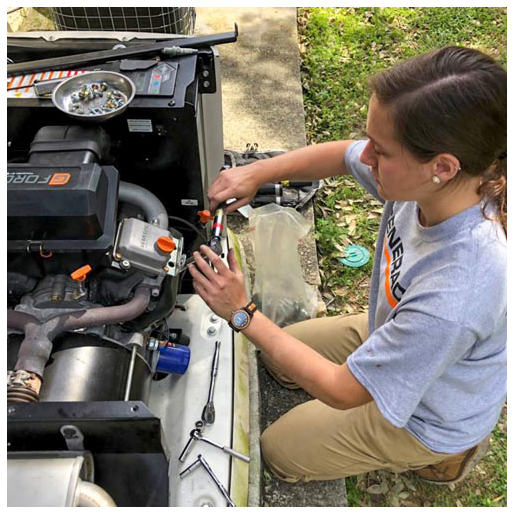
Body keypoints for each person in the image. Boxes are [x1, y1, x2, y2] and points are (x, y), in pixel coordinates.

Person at [188, 46, 507, 485]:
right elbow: (342, 155)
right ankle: (382, 363)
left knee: (278, 452)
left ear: (443, 167)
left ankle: (447, 455)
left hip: (427, 415)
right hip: (394, 331)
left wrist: (241, 312)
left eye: (381, 151)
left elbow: (342, 391)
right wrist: (257, 173)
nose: (367, 157)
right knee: (278, 356)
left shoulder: (456, 292)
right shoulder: (440, 184)